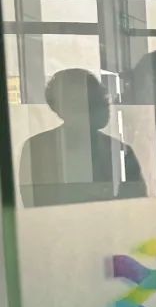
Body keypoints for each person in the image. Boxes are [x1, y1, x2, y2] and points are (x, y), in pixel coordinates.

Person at [20, 68, 146, 207]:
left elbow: (135, 207)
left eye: (97, 101)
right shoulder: (37, 149)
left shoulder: (121, 152)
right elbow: (36, 207)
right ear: (60, 109)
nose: (102, 107)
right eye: (80, 103)